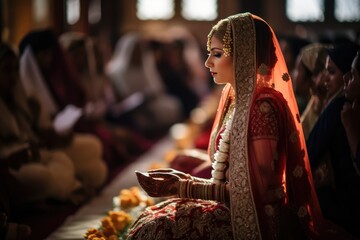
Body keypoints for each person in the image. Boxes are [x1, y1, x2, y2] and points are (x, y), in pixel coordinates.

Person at [127, 13, 353, 239]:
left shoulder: (263, 108)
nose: (207, 63)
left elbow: (258, 193)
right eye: (209, 54)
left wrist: (183, 187)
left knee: (154, 229)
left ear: (243, 56)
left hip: (259, 222)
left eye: (217, 54)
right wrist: (182, 181)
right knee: (149, 219)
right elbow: (228, 180)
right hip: (231, 209)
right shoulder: (240, 100)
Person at [307, 43, 360, 237]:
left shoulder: (340, 106)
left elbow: (309, 153)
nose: (322, 80)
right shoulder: (342, 105)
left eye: (331, 72)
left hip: (349, 206)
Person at [297, 43, 332, 139]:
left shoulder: (328, 105)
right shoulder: (315, 101)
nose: (294, 74)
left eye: (298, 69)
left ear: (311, 74)